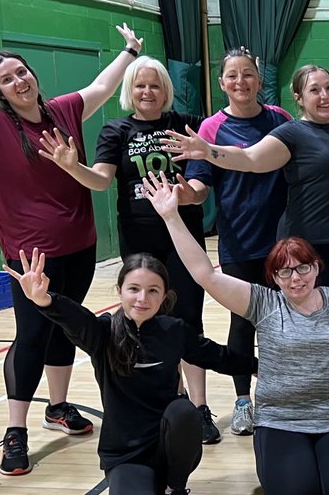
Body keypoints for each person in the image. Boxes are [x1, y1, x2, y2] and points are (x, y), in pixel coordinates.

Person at [0, 23, 142, 475]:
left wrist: (129, 50)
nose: (19, 81)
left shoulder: (64, 111)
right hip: (29, 256)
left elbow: (103, 85)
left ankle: (57, 407)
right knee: (31, 336)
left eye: (22, 72)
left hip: (80, 245)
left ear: (32, 75)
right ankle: (16, 430)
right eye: (7, 79)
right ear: (0, 92)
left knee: (65, 328)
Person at [144, 174, 329, 495]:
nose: (295, 279)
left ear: (316, 267)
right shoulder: (264, 303)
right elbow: (205, 274)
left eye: (302, 268)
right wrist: (171, 216)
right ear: (274, 278)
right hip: (281, 419)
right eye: (284, 272)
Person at [161, 63, 329, 438]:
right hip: (308, 250)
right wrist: (208, 151)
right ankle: (295, 405)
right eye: (314, 90)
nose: (325, 95)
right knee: (309, 329)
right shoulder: (291, 133)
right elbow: (251, 160)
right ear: (299, 99)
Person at [4, 250, 256, 495]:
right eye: (134, 289)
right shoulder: (102, 333)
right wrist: (43, 299)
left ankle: (175, 490)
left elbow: (217, 356)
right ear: (119, 291)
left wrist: (259, 367)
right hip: (125, 453)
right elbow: (75, 319)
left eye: (153, 291)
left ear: (164, 296)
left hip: (170, 445)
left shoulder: (173, 330)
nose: (142, 299)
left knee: (184, 411)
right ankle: (149, 488)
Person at [38, 56, 212, 430]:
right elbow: (100, 180)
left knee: (188, 320)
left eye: (155, 85)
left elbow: (200, 189)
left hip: (183, 238)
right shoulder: (116, 131)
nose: (147, 92)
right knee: (148, 319)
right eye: (140, 85)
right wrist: (71, 166)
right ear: (129, 91)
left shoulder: (187, 125)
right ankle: (168, 398)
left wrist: (186, 196)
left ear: (166, 90)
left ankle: (199, 407)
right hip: (139, 239)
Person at [167, 46, 294, 441]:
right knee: (243, 323)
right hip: (239, 239)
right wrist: (183, 194)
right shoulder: (210, 129)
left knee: (285, 322)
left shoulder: (280, 119)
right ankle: (243, 401)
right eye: (232, 76)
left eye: (248, 75)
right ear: (222, 84)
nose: (241, 82)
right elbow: (201, 186)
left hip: (283, 241)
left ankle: (279, 395)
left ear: (259, 80)